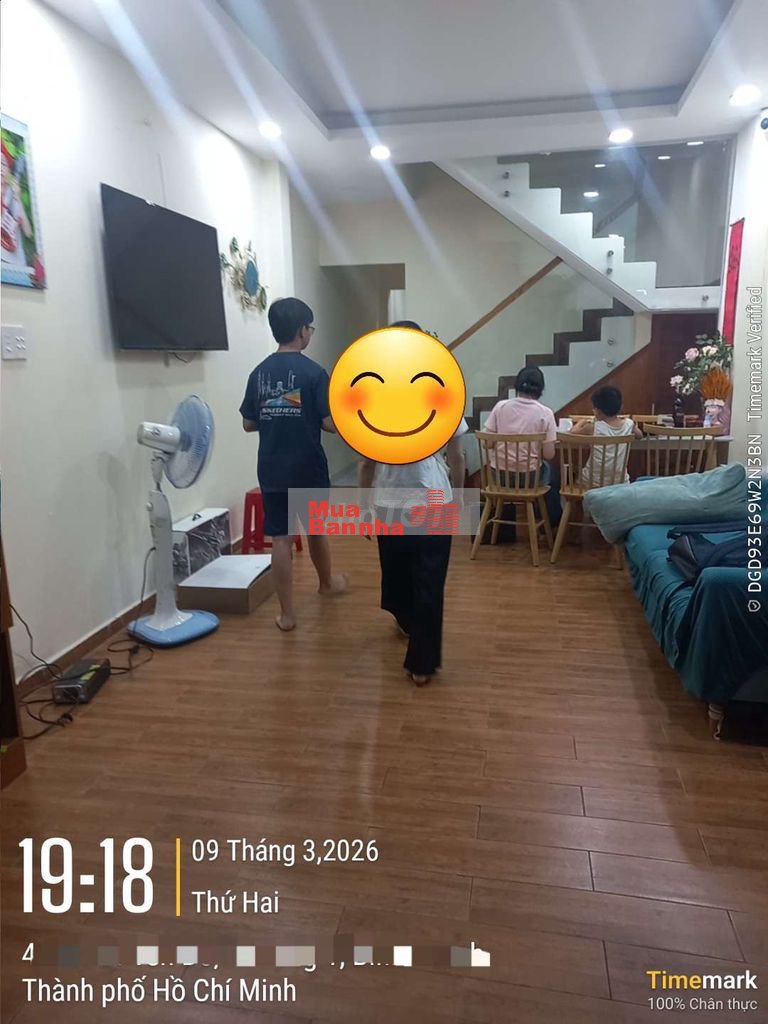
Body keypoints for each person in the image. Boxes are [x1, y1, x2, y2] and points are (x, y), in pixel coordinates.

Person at [358, 321, 467, 686]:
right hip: (434, 498)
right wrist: (459, 496)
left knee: (398, 571)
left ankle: (408, 623)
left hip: (389, 500)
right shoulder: (441, 393)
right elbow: (457, 455)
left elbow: (366, 462)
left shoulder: (374, 397)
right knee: (428, 580)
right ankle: (421, 663)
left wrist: (363, 507)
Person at [240, 297, 346, 632]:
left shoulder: (258, 373)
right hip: (308, 466)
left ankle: (287, 615)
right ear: (302, 331)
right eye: (310, 328)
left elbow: (248, 423)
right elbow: (329, 425)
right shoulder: (314, 373)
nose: (310, 333)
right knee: (316, 529)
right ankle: (326, 584)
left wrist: (275, 415)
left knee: (281, 538)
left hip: (272, 467)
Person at [483, 365, 559, 524]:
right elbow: (549, 454)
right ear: (540, 388)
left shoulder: (501, 406)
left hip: (499, 478)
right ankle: (552, 523)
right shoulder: (545, 413)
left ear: (517, 385)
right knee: (552, 471)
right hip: (529, 479)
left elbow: (488, 443)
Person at [568, 385, 642, 485]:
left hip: (592, 482)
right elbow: (639, 436)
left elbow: (572, 433)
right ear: (620, 407)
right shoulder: (629, 424)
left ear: (597, 411)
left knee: (576, 474)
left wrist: (581, 421)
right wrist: (633, 427)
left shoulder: (594, 427)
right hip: (620, 482)